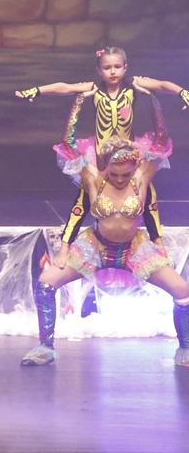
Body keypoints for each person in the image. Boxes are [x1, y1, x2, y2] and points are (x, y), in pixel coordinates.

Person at [27, 135, 189, 367]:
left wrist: (155, 100)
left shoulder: (141, 179)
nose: (120, 179)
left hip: (133, 249)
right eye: (114, 174)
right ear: (104, 167)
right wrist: (79, 101)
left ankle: (186, 347)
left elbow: (161, 142)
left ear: (134, 167)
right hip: (96, 247)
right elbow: (68, 144)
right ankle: (45, 347)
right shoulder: (93, 180)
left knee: (182, 290)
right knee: (46, 282)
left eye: (126, 173)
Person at [15, 46, 187, 246]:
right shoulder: (93, 88)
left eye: (117, 67)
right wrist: (37, 91)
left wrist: (182, 92)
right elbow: (65, 87)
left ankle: (157, 242)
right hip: (100, 157)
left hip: (128, 155)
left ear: (125, 68)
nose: (112, 71)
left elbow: (162, 85)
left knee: (147, 192)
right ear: (99, 70)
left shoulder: (133, 86)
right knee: (84, 198)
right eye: (107, 67)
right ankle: (66, 245)